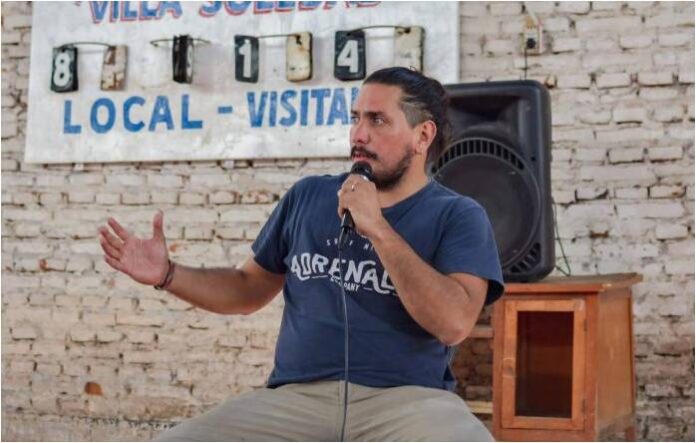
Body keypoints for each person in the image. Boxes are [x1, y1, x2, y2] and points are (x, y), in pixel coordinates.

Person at [98, 67, 504, 442]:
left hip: (409, 404)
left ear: (422, 136)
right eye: (355, 118)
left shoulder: (458, 215)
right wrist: (167, 274)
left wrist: (378, 229)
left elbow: (453, 324)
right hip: (297, 400)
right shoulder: (309, 196)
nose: (359, 134)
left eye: (377, 120)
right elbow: (246, 288)